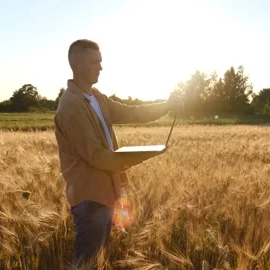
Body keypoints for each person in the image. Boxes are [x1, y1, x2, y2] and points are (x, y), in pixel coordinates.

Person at [54, 39, 182, 267]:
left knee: (98, 260)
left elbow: (132, 113)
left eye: (100, 62)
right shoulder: (72, 106)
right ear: (76, 63)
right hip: (90, 198)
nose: (100, 68)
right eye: (94, 62)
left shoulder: (96, 97)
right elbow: (96, 156)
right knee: (87, 263)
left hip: (106, 194)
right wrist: (141, 155)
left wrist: (166, 105)